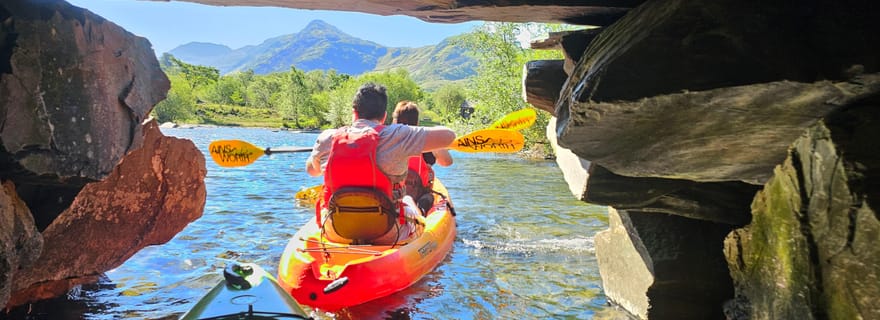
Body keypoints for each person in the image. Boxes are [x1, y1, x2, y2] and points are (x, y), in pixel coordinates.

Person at [306, 83, 456, 245]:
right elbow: (449, 136)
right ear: (384, 116)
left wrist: (318, 153)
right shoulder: (398, 135)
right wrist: (414, 133)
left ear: (354, 112)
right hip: (387, 232)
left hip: (335, 230)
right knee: (408, 201)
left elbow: (311, 171)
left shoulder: (327, 137)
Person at [391, 101, 453, 214]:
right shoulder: (425, 143)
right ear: (417, 122)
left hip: (393, 195)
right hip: (419, 197)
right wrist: (436, 145)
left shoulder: (388, 141)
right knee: (429, 197)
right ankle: (421, 213)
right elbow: (447, 162)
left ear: (395, 120)